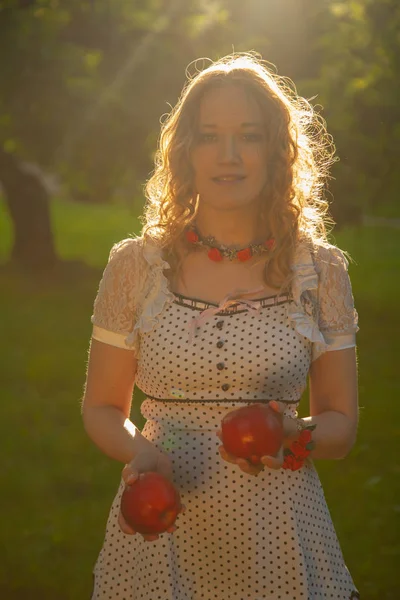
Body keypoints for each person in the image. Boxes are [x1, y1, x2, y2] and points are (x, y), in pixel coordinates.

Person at [82, 52, 360, 600]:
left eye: (249, 136)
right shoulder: (137, 267)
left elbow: (341, 424)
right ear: (185, 151)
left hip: (278, 531)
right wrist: (138, 450)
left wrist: (293, 435)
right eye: (209, 136)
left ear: (277, 151)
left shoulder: (319, 270)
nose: (228, 156)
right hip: (162, 527)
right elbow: (101, 408)